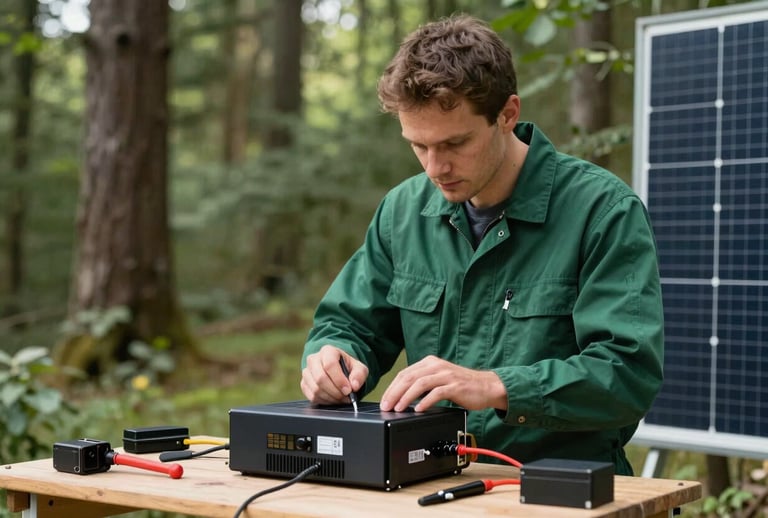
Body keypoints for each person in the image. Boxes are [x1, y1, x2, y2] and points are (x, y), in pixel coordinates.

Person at [300, 14, 663, 476]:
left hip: (562, 487)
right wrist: (333, 356)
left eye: (455, 143)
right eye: (419, 145)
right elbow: (350, 323)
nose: (435, 167)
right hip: (432, 482)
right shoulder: (403, 211)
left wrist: (497, 386)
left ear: (508, 114)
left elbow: (627, 374)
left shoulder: (602, 210)